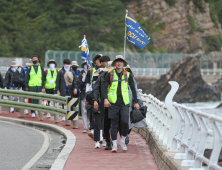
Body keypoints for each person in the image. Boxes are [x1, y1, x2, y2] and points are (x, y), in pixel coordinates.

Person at [103, 55, 140, 152]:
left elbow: (133, 89)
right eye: (117, 62)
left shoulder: (128, 75)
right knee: (114, 124)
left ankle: (122, 141)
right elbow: (104, 88)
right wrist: (105, 99)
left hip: (124, 103)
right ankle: (114, 144)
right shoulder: (109, 74)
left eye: (121, 62)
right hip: (113, 103)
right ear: (115, 63)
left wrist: (136, 102)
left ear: (123, 64)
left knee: (125, 122)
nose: (119, 63)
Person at [123, 65, 147, 145]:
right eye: (124, 69)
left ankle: (127, 135)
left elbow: (136, 90)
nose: (126, 71)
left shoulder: (132, 79)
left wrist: (138, 101)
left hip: (131, 102)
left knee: (130, 120)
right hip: (121, 102)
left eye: (127, 70)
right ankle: (123, 136)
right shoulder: (119, 79)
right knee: (122, 120)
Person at [93, 61, 114, 150]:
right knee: (104, 122)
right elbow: (95, 89)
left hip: (115, 103)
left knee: (115, 122)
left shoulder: (117, 77)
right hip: (103, 103)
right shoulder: (101, 78)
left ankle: (113, 139)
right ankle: (107, 140)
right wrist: (95, 100)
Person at [85, 54, 103, 139]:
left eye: (101, 59)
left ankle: (102, 132)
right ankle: (92, 129)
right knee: (93, 112)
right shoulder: (91, 71)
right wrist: (87, 95)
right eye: (97, 59)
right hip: (92, 93)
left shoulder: (106, 71)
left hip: (103, 94)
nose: (99, 61)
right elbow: (88, 84)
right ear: (95, 60)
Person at [78, 60, 88, 133]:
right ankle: (85, 127)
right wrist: (83, 79)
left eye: (87, 64)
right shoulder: (81, 74)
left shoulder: (93, 73)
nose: (86, 66)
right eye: (84, 64)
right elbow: (79, 86)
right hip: (83, 94)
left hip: (91, 95)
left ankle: (93, 126)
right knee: (84, 111)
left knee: (91, 112)